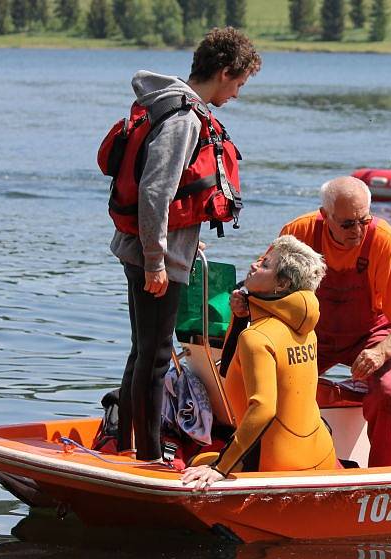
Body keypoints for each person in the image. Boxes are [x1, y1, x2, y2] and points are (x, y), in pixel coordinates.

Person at [111, 28, 261, 461]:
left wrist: (181, 245)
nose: (236, 93)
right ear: (225, 71)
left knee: (144, 349)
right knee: (155, 356)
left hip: (148, 248)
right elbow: (156, 191)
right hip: (152, 256)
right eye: (239, 83)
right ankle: (149, 457)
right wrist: (158, 260)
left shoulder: (169, 105)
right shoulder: (184, 118)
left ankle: (127, 443)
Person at [278, 176, 391, 467]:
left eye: (364, 221)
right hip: (310, 333)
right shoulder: (298, 233)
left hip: (371, 336)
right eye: (347, 224)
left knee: (390, 393)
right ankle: (289, 462)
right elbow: (267, 286)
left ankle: (386, 478)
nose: (357, 231)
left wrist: (382, 350)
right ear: (325, 216)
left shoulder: (384, 239)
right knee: (273, 383)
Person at [181, 236, 337, 488]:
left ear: (282, 283)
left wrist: (221, 468)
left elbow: (263, 409)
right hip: (320, 453)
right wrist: (242, 315)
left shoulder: (257, 338)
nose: (254, 265)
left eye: (265, 265)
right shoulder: (307, 328)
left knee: (197, 461)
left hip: (276, 463)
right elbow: (232, 365)